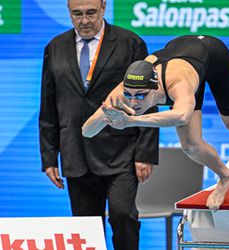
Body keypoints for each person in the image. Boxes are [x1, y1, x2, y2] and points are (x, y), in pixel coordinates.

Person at [82, 35, 229, 211]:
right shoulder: (123, 93)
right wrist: (104, 117)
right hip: (179, 56)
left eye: (140, 96)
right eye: (130, 95)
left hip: (213, 56)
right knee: (191, 146)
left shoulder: (177, 84)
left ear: (154, 90)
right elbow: (86, 132)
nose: (133, 102)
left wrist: (130, 121)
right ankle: (226, 177)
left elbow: (181, 115)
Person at [38, 0, 159, 249]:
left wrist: (145, 154)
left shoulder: (130, 43)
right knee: (84, 227)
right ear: (69, 13)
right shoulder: (55, 47)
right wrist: (49, 157)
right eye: (77, 14)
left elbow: (149, 101)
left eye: (91, 13)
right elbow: (48, 106)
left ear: (103, 8)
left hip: (121, 153)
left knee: (123, 215)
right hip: (76, 152)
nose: (84, 20)